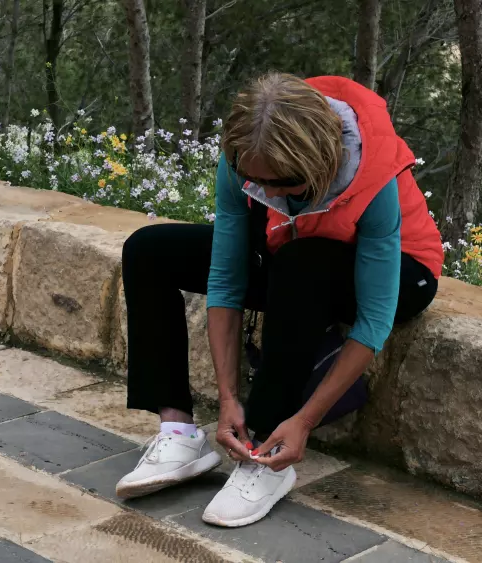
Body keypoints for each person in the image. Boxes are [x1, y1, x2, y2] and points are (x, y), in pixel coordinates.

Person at [115, 73, 444, 528]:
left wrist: (304, 422)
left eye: (279, 182)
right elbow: (227, 280)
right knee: (149, 250)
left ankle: (267, 454)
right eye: (253, 180)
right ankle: (178, 431)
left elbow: (374, 319)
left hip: (402, 272)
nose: (263, 192)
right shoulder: (247, 156)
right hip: (290, 245)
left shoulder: (373, 177)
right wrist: (228, 398)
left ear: (315, 164)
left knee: (301, 263)